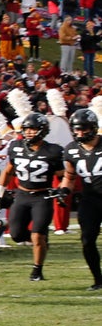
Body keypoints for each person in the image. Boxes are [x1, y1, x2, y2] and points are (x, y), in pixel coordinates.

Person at [0, 111, 63, 281]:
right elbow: (8, 172)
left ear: (42, 130)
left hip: (42, 196)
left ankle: (37, 269)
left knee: (37, 235)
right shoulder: (16, 147)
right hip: (22, 194)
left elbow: (65, 174)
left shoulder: (53, 151)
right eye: (26, 129)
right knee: (16, 234)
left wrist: (63, 189)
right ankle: (41, 242)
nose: (28, 132)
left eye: (33, 129)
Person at [63, 108, 102, 290]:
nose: (79, 133)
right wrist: (64, 190)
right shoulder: (71, 149)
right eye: (76, 129)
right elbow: (69, 177)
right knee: (87, 239)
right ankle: (98, 280)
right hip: (90, 200)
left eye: (83, 128)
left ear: (93, 127)